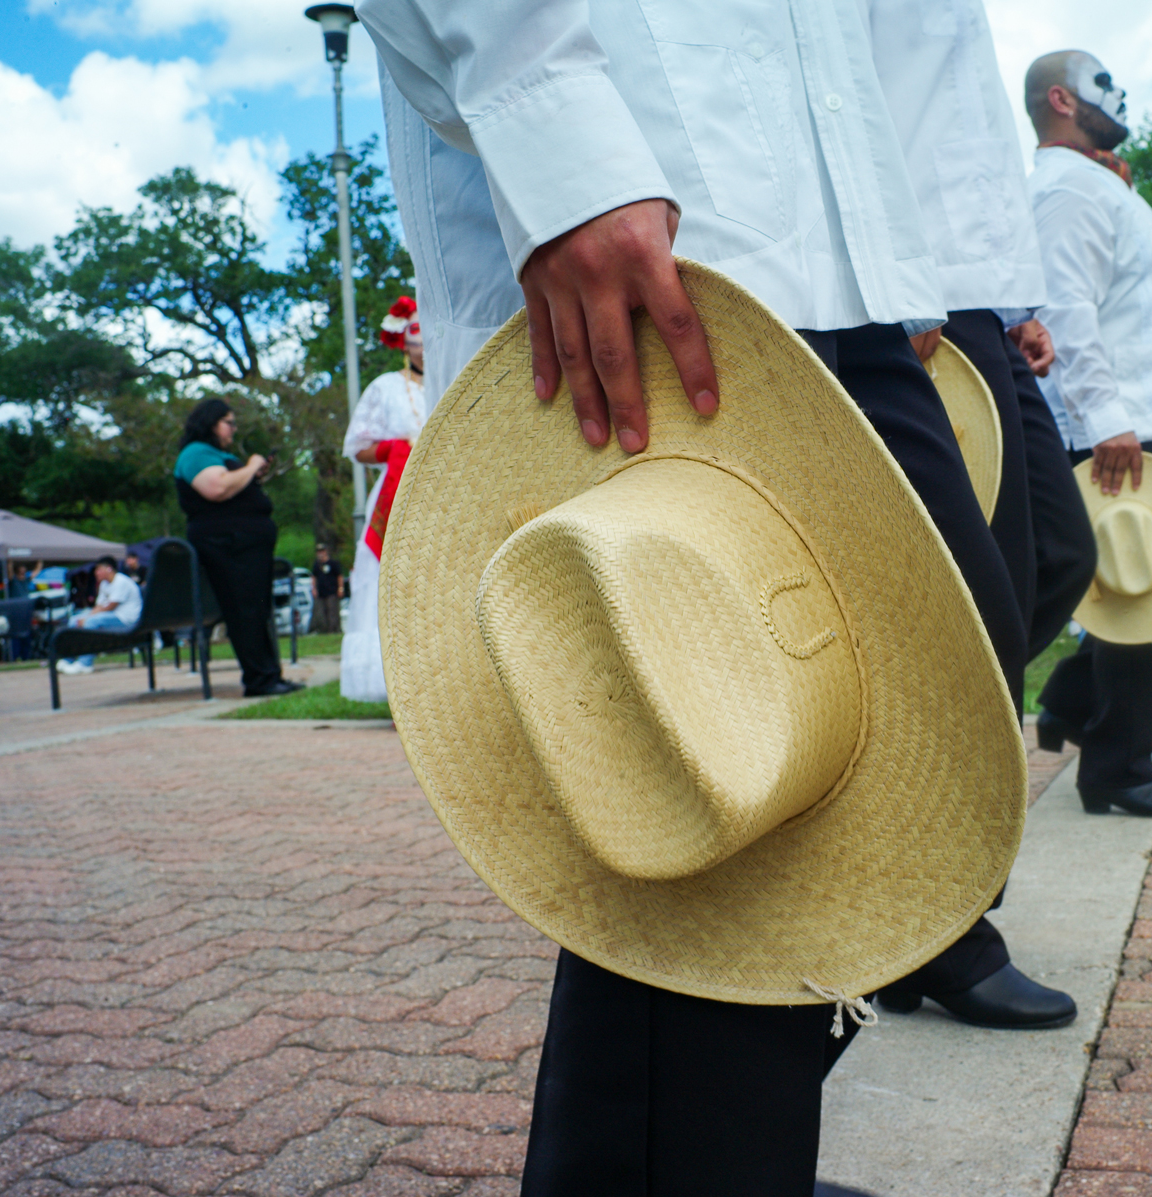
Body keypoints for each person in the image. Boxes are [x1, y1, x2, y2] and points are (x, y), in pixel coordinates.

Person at [359, 0, 1046, 1185]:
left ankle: (726, 1142)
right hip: (648, 210)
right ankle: (691, 1156)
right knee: (690, 705)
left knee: (942, 673)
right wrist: (559, 142)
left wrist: (930, 263)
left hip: (844, 246)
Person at [873, 0, 1091, 1031]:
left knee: (1056, 557)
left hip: (981, 298)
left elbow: (956, 124)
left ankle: (924, 897)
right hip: (900, 291)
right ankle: (940, 924)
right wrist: (902, 288)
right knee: (967, 608)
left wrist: (1014, 298)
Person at [1021, 48, 1152, 820]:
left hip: (1140, 421)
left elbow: (1146, 319)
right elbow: (1066, 311)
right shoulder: (1066, 188)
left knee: (1131, 585)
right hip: (1112, 427)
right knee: (1147, 589)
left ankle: (1072, 707)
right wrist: (1109, 421)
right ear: (1061, 98)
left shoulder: (1094, 183)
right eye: (1104, 83)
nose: (1120, 94)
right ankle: (1120, 766)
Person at [173, 399, 299, 698]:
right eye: (229, 422)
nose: (233, 428)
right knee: (244, 611)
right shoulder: (195, 453)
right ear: (210, 423)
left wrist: (251, 475)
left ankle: (269, 675)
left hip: (245, 543)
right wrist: (252, 465)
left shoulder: (217, 454)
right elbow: (216, 488)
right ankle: (259, 680)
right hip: (227, 544)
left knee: (256, 610)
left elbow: (230, 484)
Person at [341, 296, 429, 702]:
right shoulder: (385, 388)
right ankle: (397, 686)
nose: (424, 348)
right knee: (390, 582)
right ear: (404, 343)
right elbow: (357, 448)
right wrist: (399, 448)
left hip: (450, 491)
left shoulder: (456, 377)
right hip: (396, 492)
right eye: (416, 340)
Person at [56, 556, 144, 675]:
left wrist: (87, 619)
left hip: (127, 619)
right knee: (74, 620)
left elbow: (110, 606)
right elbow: (99, 606)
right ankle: (68, 660)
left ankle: (85, 664)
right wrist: (84, 618)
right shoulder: (104, 584)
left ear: (108, 569)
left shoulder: (121, 581)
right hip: (112, 616)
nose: (96, 573)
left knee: (90, 622)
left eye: (98, 570)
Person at [310, 544, 344, 635]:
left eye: (322, 551)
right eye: (319, 552)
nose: (320, 553)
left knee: (332, 611)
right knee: (322, 612)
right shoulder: (317, 565)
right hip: (321, 592)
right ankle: (324, 629)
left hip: (332, 591)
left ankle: (334, 629)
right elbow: (314, 577)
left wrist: (340, 588)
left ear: (325, 552)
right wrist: (313, 588)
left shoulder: (333, 563)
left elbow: (339, 576)